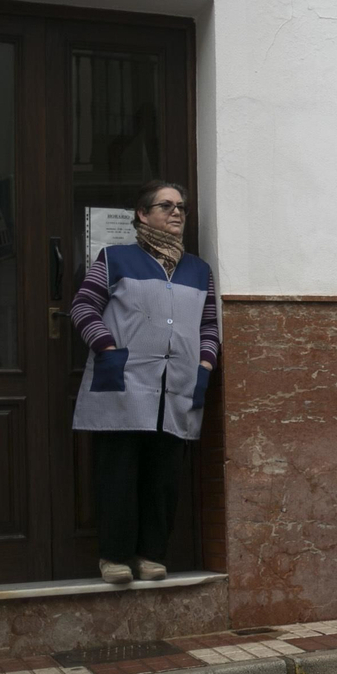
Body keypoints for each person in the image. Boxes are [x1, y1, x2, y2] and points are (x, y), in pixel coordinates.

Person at [71, 181, 219, 585]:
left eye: (182, 208)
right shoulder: (115, 258)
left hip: (180, 384)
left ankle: (151, 554)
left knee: (164, 476)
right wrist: (107, 346)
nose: (177, 213)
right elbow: (83, 306)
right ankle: (114, 557)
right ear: (142, 214)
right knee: (118, 473)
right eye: (166, 205)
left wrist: (205, 364)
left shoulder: (198, 269)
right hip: (124, 381)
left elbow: (209, 326)